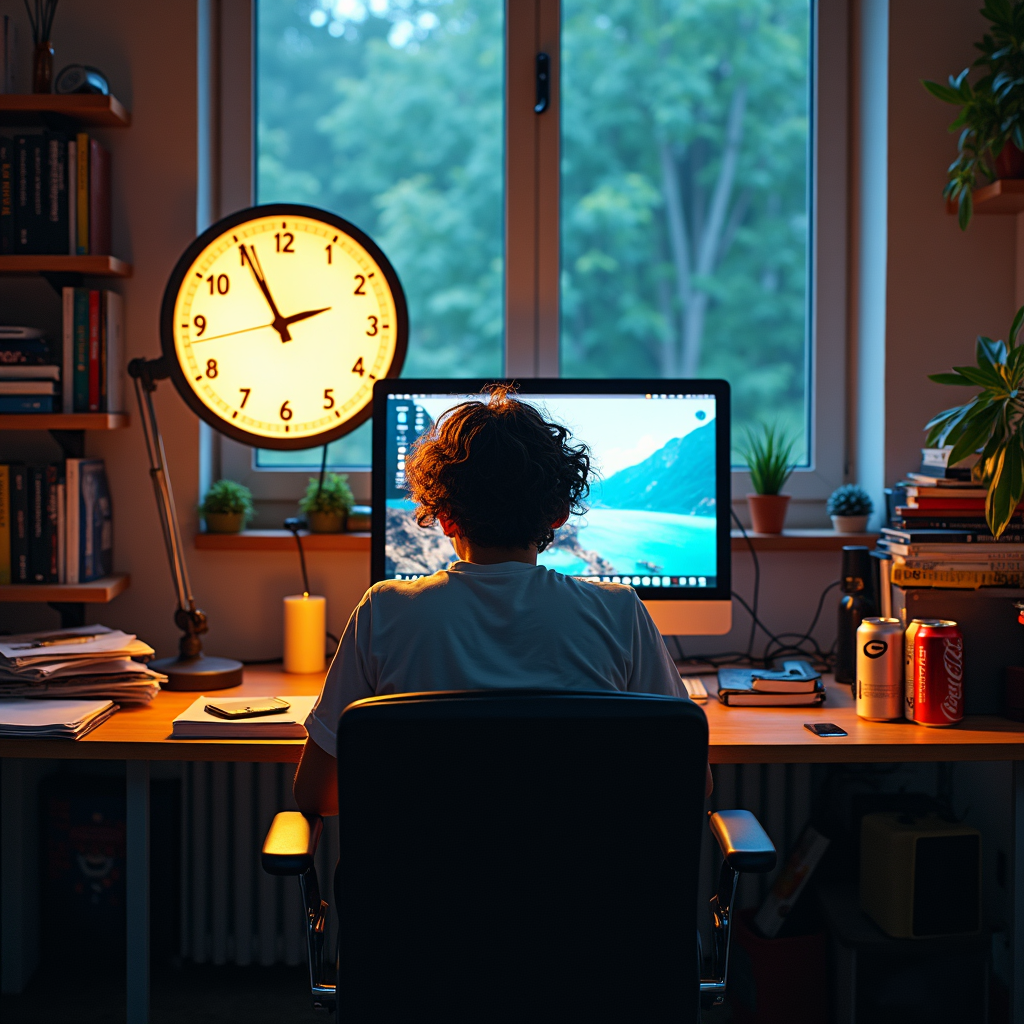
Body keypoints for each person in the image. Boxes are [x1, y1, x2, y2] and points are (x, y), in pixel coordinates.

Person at [293, 385, 710, 814]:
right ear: (558, 514)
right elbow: (692, 780)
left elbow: (316, 794)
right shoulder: (619, 611)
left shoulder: (384, 611)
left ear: (445, 517)